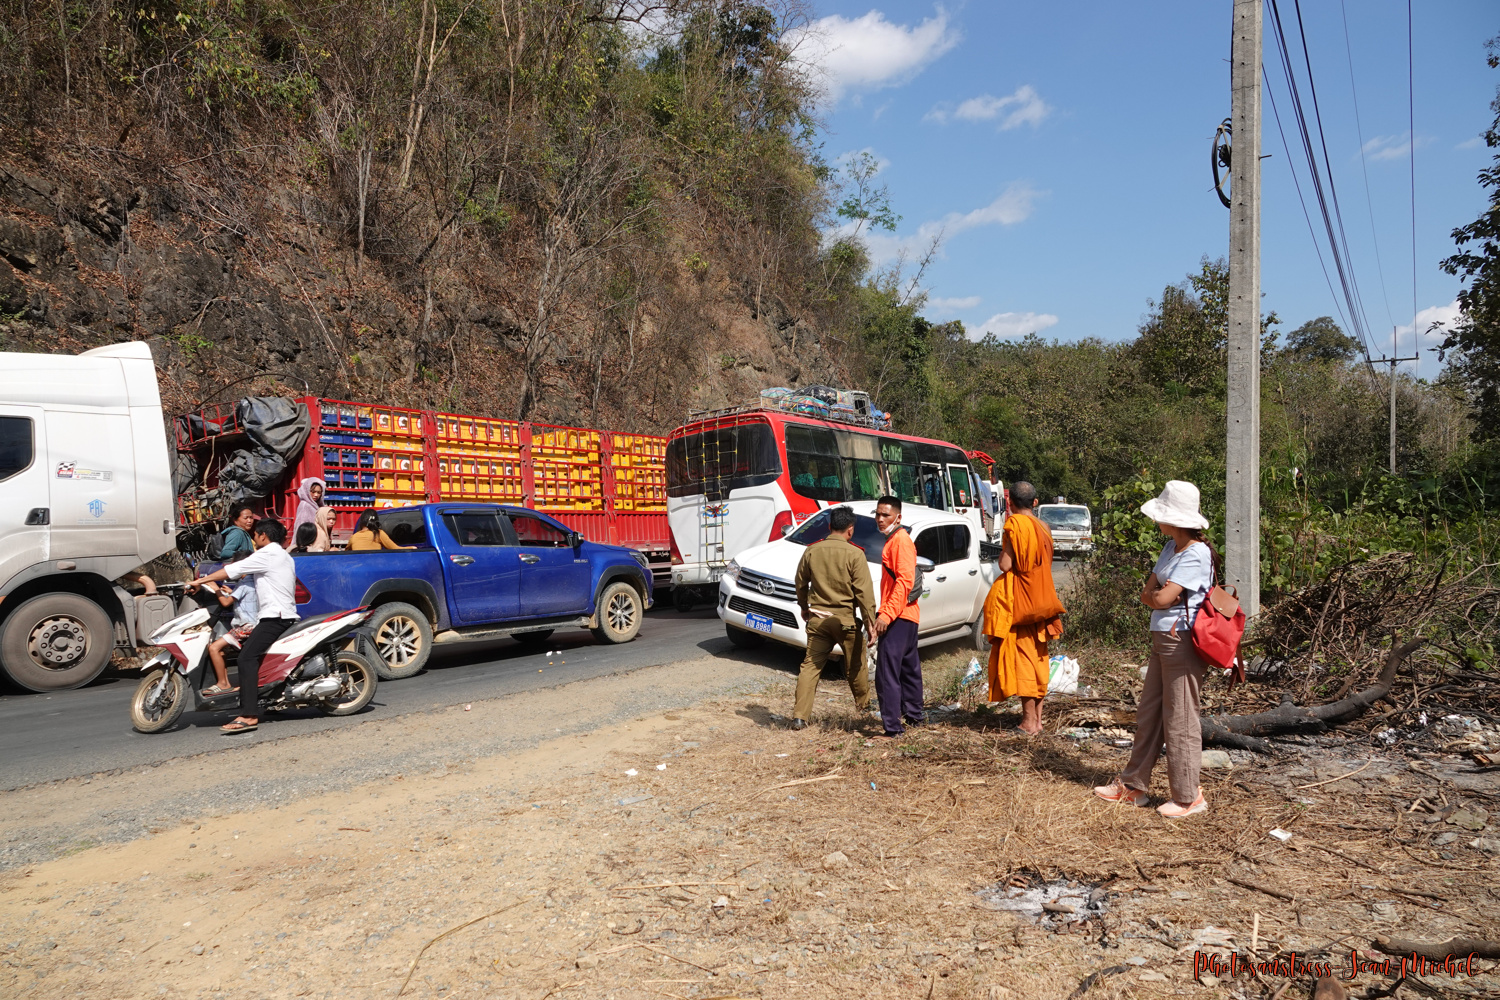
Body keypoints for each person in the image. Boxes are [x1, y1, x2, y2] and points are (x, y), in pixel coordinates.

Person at [1094, 480, 1215, 818]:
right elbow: (1150, 594)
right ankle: (1134, 785)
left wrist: (1159, 597)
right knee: (1150, 712)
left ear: (1175, 518)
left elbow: (1160, 597)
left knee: (1181, 717)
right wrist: (1158, 597)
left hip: (1183, 640)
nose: (1156, 519)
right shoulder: (1170, 548)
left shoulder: (1196, 552)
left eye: (1161, 514)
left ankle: (1188, 796)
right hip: (1164, 638)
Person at [188, 518, 299, 734]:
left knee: (246, 658)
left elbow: (232, 570)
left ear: (263, 536)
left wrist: (199, 581)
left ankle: (249, 715)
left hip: (275, 617)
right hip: (281, 615)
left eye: (255, 535)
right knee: (259, 657)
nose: (254, 539)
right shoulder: (283, 556)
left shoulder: (267, 554)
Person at [983, 481, 1065, 735]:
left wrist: (1002, 554)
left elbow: (1006, 565)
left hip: (1021, 604)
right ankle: (1037, 721)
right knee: (1038, 657)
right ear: (1035, 502)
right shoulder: (1044, 527)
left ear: (1009, 503)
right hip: (1043, 598)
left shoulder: (1014, 524)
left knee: (1023, 660)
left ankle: (1029, 723)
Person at [791, 506, 878, 730]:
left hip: (818, 620)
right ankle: (864, 707)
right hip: (845, 621)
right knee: (856, 664)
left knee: (810, 667)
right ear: (850, 530)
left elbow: (800, 583)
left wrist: (804, 607)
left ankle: (800, 717)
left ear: (829, 526)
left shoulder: (812, 550)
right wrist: (870, 624)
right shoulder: (855, 554)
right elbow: (864, 594)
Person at [873, 495, 923, 737]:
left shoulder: (900, 541)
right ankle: (914, 717)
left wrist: (886, 615)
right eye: (878, 514)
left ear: (898, 517)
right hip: (907, 616)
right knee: (908, 669)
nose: (880, 519)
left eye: (886, 515)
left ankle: (893, 727)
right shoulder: (896, 539)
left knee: (887, 673)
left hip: (898, 617)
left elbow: (904, 582)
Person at [193, 570, 258, 697]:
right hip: (252, 623)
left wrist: (216, 589)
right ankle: (224, 682)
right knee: (221, 650)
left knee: (214, 648)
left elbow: (225, 603)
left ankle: (223, 684)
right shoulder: (253, 582)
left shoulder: (244, 584)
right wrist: (230, 592)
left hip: (246, 626)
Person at [348, 509, 416, 551]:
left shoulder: (353, 537)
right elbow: (395, 549)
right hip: (375, 567)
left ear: (361, 522)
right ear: (376, 521)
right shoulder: (378, 533)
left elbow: (346, 554)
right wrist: (412, 548)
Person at [289, 478, 326, 549]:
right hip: (307, 545)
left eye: (319, 492)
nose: (316, 495)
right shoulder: (305, 506)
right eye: (313, 492)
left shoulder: (315, 506)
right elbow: (301, 526)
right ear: (306, 491)